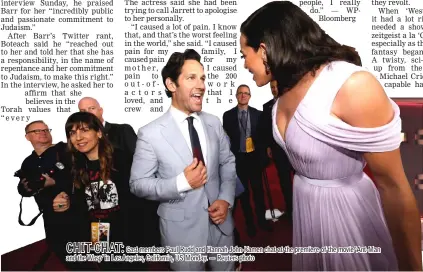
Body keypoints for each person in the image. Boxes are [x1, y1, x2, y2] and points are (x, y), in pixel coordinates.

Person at [240, 1, 421, 271]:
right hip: (306, 212)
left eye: (244, 54)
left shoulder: (351, 84)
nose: (244, 64)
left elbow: (394, 186)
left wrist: (413, 267)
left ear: (264, 49)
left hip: (349, 216)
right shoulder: (286, 85)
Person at [130, 49, 236, 271]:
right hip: (181, 233)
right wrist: (182, 183)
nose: (201, 85)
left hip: (221, 224)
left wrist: (225, 199)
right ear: (171, 85)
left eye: (203, 78)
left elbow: (227, 163)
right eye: (191, 78)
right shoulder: (150, 133)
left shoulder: (214, 122)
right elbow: (138, 184)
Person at [55, 111, 146, 270]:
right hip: (99, 232)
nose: (78, 137)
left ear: (98, 132)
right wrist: (65, 199)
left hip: (129, 233)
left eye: (84, 130)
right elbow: (79, 203)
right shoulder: (75, 167)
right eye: (72, 132)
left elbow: (140, 200)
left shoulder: (123, 159)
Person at [78, 96, 160, 248]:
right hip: (98, 213)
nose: (88, 113)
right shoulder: (80, 142)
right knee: (103, 252)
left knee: (131, 253)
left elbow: (141, 163)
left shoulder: (122, 131)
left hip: (127, 209)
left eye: (91, 108)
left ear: (100, 110)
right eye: (83, 111)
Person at [16, 121, 76, 269]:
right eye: (37, 131)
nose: (43, 132)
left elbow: (81, 177)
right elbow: (27, 187)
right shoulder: (27, 163)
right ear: (27, 137)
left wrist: (55, 183)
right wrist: (25, 189)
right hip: (49, 214)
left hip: (76, 211)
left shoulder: (65, 150)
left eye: (45, 129)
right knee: (59, 250)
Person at [223, 84, 271, 237]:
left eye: (246, 93)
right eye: (240, 93)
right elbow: (227, 140)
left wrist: (263, 157)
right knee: (243, 195)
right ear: (236, 96)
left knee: (258, 192)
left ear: (250, 96)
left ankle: (262, 221)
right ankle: (250, 224)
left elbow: (263, 138)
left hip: (254, 158)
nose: (243, 96)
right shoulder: (228, 115)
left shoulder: (258, 114)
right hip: (239, 160)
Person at [259, 80, 293, 219]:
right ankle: (291, 211)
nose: (274, 89)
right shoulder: (266, 106)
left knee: (300, 181)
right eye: (271, 87)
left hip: (294, 148)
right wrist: (267, 146)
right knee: (284, 182)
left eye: (276, 86)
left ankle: (303, 209)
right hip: (277, 150)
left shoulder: (291, 102)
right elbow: (266, 129)